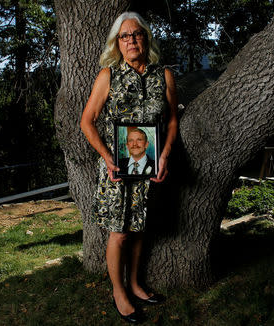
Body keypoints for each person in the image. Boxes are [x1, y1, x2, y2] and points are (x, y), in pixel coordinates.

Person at [80, 11, 178, 324]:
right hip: (116, 170)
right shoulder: (108, 75)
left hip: (148, 165)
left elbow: (173, 119)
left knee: (138, 231)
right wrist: (108, 157)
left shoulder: (163, 75)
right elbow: (87, 122)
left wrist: (164, 154)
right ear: (117, 43)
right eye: (124, 36)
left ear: (145, 38)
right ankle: (119, 292)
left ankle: (135, 284)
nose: (131, 40)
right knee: (119, 234)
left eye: (136, 34)